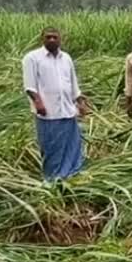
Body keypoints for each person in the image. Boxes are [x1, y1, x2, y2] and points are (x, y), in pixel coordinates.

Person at [22, 27, 89, 180]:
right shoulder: (32, 58)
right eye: (48, 37)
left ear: (60, 39)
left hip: (67, 110)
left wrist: (80, 102)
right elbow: (29, 85)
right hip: (48, 112)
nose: (52, 40)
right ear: (42, 39)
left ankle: (72, 173)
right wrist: (38, 103)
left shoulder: (66, 58)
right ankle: (53, 177)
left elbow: (73, 83)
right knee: (51, 145)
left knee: (72, 144)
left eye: (55, 37)